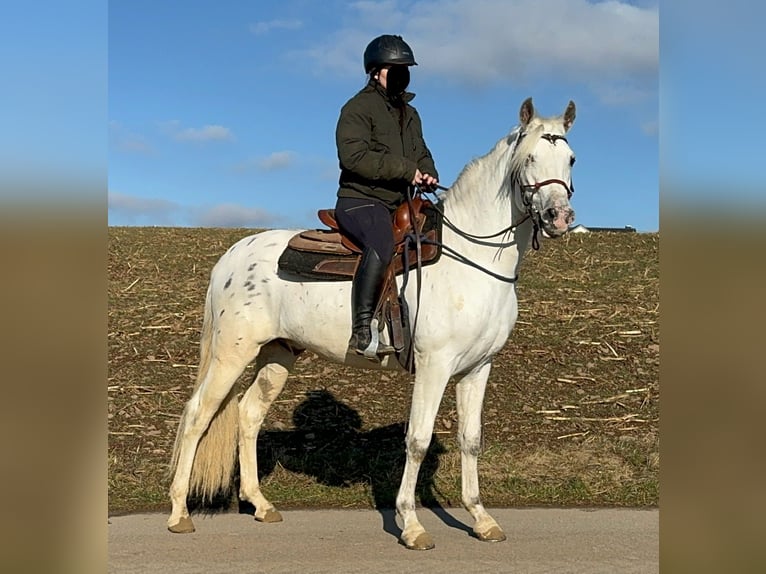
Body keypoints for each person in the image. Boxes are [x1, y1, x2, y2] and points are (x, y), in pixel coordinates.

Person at [334, 34, 439, 359]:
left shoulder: (411, 113)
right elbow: (354, 157)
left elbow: (420, 151)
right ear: (376, 71)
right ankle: (362, 329)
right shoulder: (357, 108)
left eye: (406, 68)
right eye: (396, 68)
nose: (402, 73)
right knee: (380, 239)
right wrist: (405, 170)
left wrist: (427, 172)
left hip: (402, 202)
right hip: (361, 200)